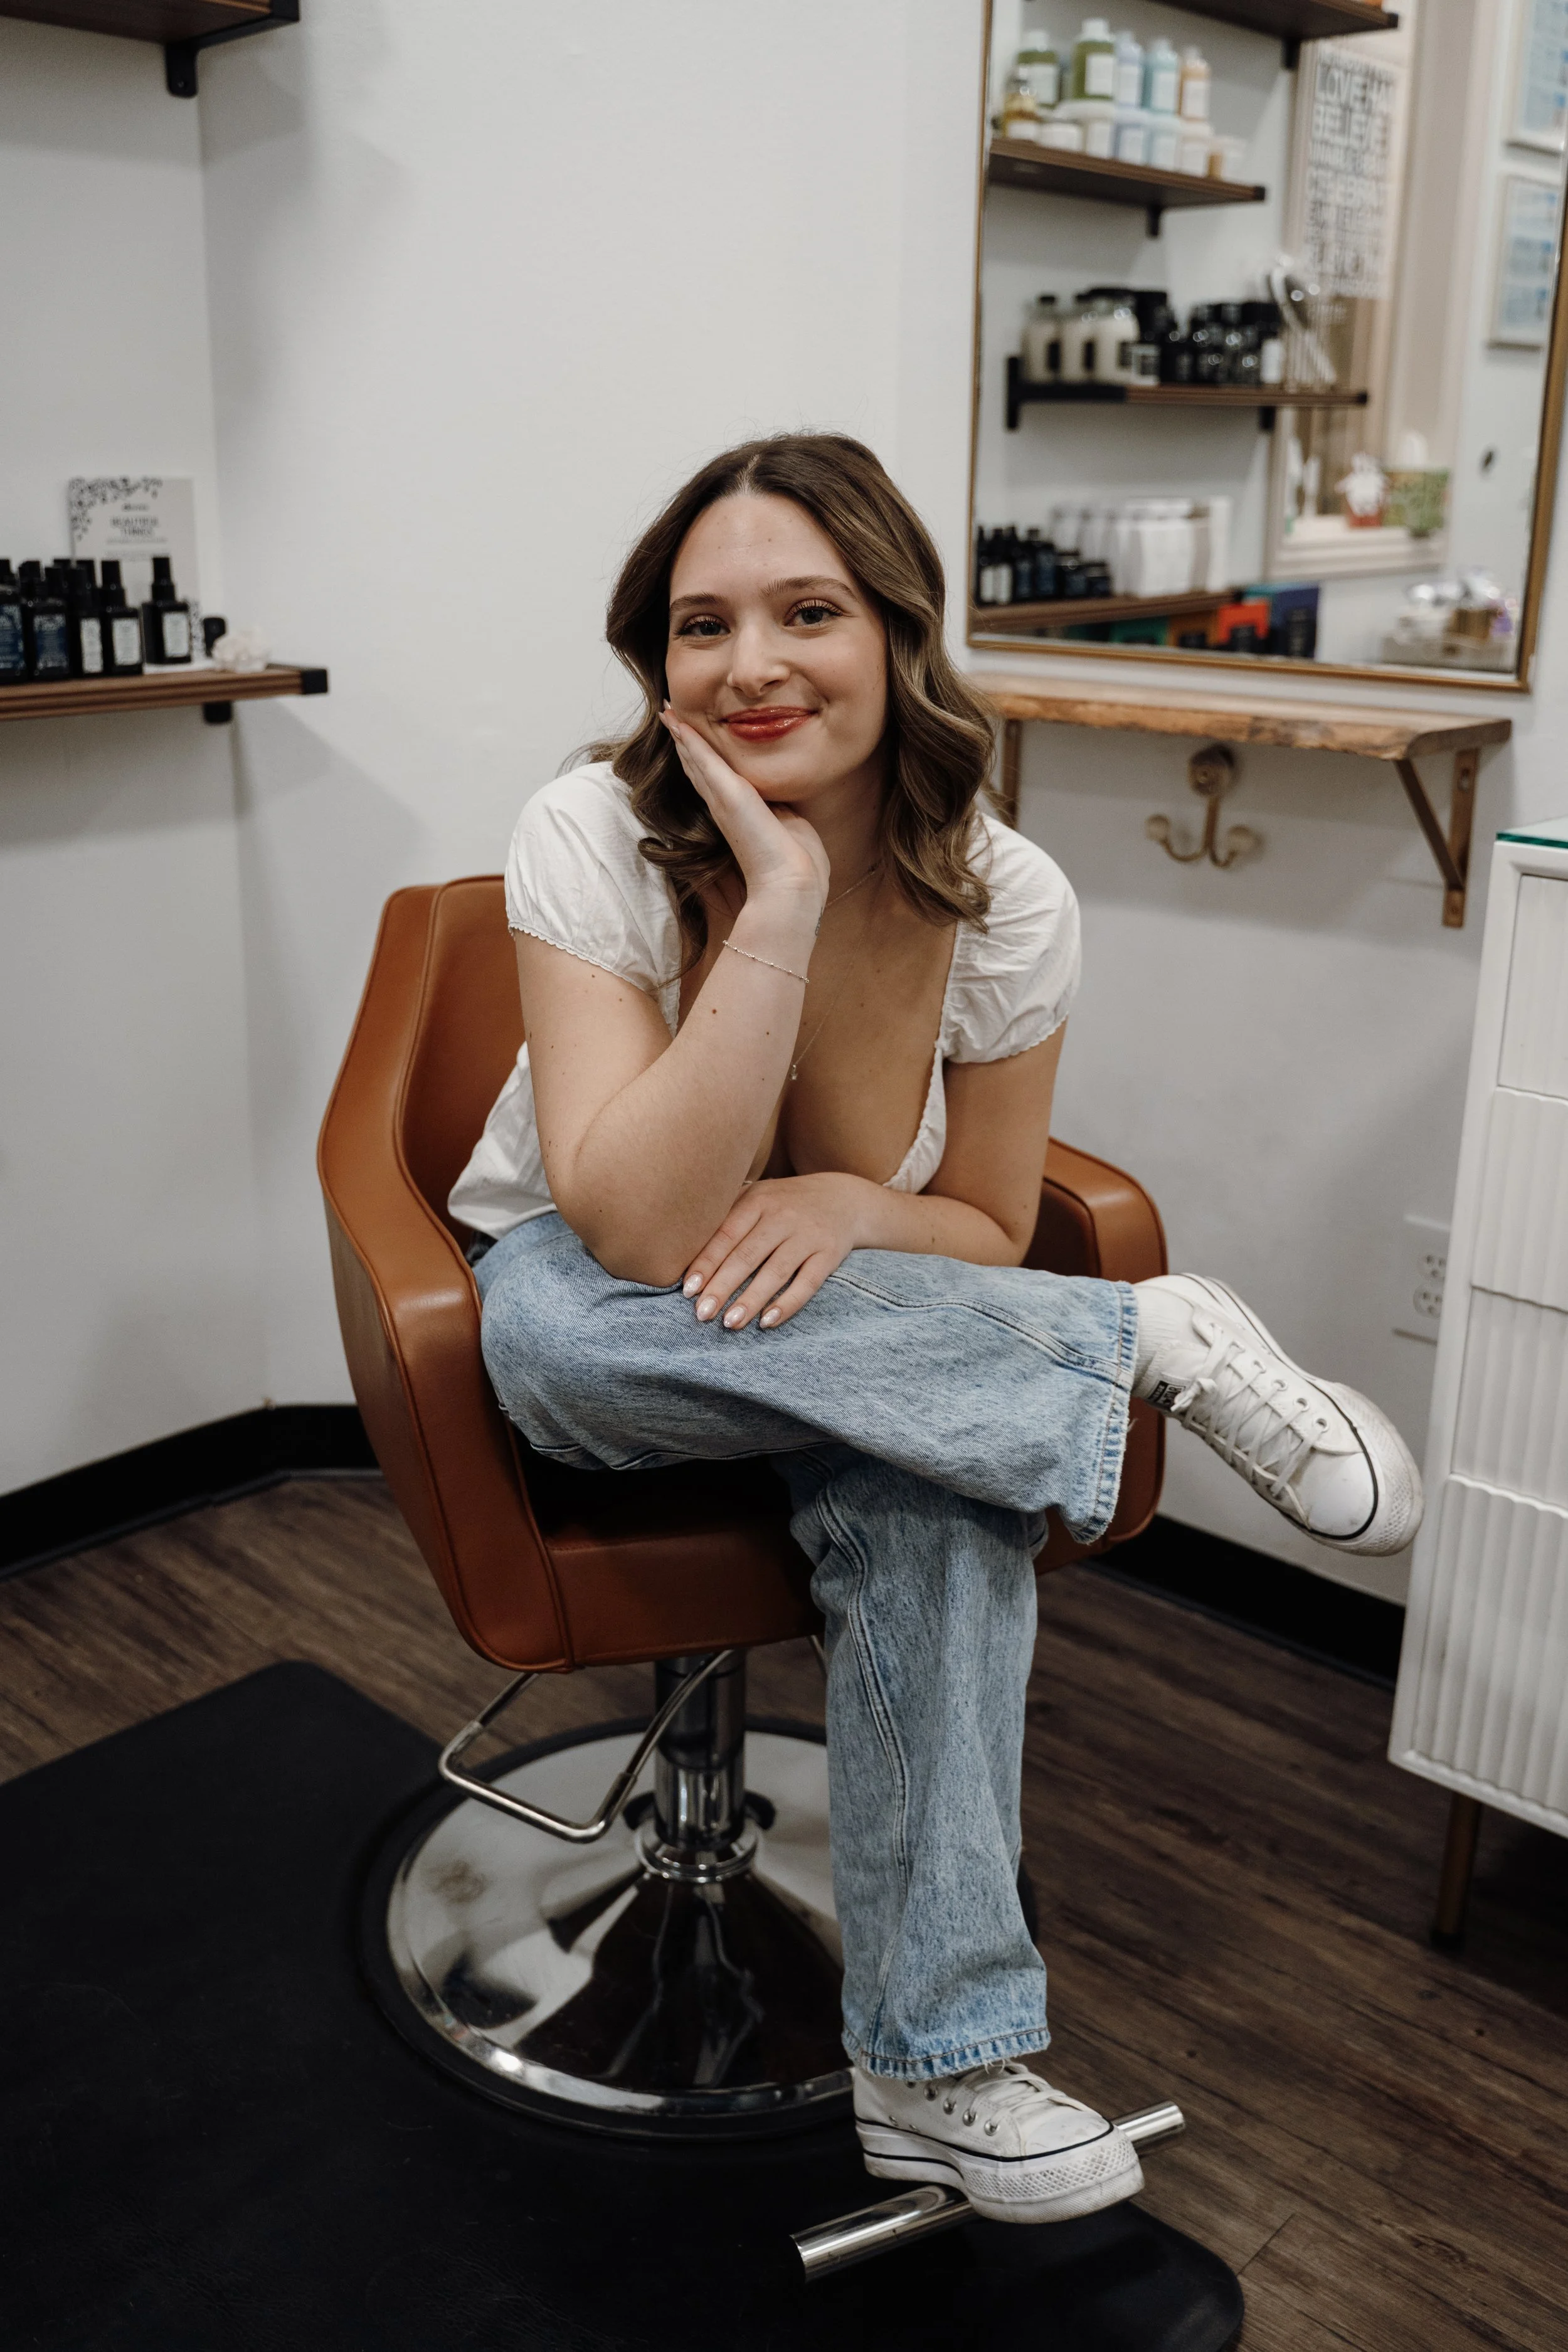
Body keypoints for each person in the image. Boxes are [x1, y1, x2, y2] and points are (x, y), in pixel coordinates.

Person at [450, 434, 1421, 2225]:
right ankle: (1132, 1342)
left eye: (806, 610)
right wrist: (783, 906)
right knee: (568, 1342)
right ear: (652, 664)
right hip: (596, 1311)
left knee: (934, 1487)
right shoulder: (588, 827)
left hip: (859, 1322)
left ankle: (933, 2070)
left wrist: (845, 1206)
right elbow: (639, 1228)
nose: (749, 665)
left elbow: (974, 1220)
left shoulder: (1007, 898)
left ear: (898, 630)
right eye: (700, 625)